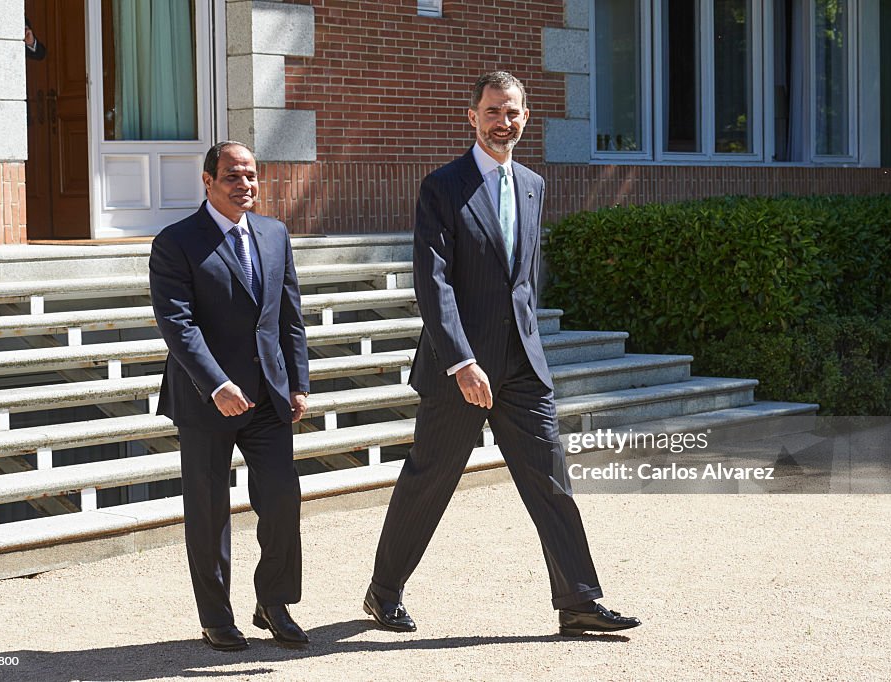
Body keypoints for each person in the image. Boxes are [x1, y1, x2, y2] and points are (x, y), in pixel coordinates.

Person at [363, 72, 642, 637]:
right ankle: (383, 591)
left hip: (522, 365)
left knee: (551, 480)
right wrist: (461, 361)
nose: (503, 122)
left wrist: (530, 339)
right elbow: (433, 282)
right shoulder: (443, 186)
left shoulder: (534, 184)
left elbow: (525, 277)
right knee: (429, 480)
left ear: (525, 117)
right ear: (473, 116)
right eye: (492, 111)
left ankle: (579, 601)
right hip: (460, 367)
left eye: (512, 112)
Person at [149, 141, 311, 651]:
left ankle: (274, 602)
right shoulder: (176, 242)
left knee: (283, 497)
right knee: (209, 510)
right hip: (205, 399)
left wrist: (299, 382)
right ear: (207, 181)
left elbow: (289, 315)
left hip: (267, 396)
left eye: (251, 176)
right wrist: (216, 383)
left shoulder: (274, 233)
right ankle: (216, 616)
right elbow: (178, 324)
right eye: (232, 177)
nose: (245, 185)